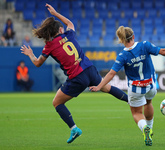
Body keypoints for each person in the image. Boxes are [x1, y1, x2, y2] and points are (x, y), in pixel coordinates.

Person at [20, 4, 128, 144]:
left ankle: (74, 128)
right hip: (89, 69)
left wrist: (30, 54)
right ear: (60, 29)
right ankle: (132, 101)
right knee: (107, 88)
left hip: (77, 77)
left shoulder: (49, 46)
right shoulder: (69, 34)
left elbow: (37, 63)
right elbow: (70, 23)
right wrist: (56, 13)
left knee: (56, 102)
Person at [90, 26, 165, 146]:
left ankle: (145, 127)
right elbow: (163, 51)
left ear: (122, 40)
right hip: (150, 85)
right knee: (149, 103)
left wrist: (99, 86)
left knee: (136, 113)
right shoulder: (145, 45)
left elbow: (111, 73)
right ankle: (150, 128)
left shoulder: (122, 55)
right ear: (133, 36)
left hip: (135, 88)